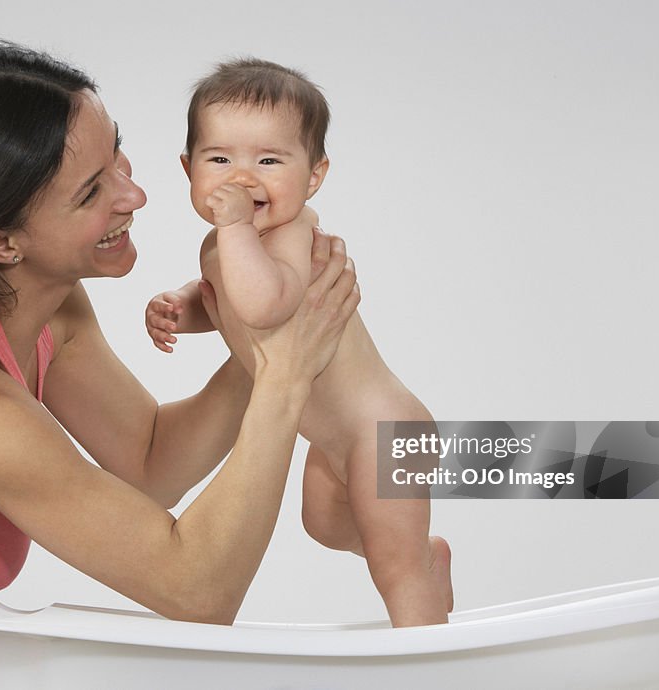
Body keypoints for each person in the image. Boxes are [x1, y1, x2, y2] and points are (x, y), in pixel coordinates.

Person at [0, 43, 359, 689]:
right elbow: (197, 592)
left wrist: (267, 340)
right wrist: (283, 376)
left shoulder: (44, 304)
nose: (135, 195)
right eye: (90, 191)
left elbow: (150, 463)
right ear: (1, 240)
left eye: (118, 156)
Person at [145, 58, 452, 628]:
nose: (242, 177)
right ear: (188, 169)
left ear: (313, 175)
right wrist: (183, 308)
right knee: (327, 528)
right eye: (219, 159)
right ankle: (423, 561)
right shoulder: (229, 242)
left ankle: (427, 651)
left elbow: (267, 303)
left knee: (393, 566)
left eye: (268, 160)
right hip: (334, 441)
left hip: (385, 431)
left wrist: (235, 230)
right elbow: (228, 301)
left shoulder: (290, 234)